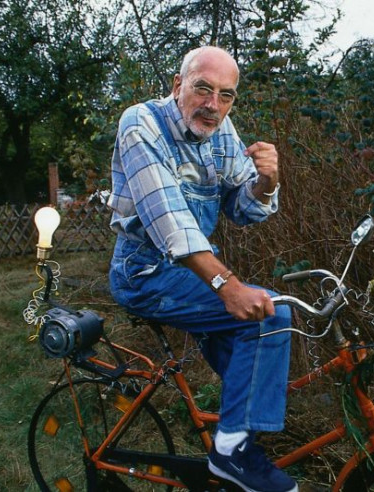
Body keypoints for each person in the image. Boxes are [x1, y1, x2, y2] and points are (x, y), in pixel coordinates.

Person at [107, 46, 297, 492]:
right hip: (145, 275)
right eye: (202, 89)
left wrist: (266, 183)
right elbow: (170, 222)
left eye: (225, 95)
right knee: (272, 316)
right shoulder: (141, 123)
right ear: (178, 86)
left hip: (190, 273)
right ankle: (231, 454)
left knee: (250, 361)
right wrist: (227, 286)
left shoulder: (220, 130)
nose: (213, 104)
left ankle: (234, 448)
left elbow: (243, 210)